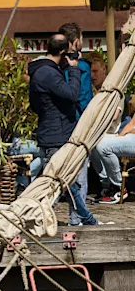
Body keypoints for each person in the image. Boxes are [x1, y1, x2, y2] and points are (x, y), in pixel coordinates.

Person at [29, 32, 97, 228]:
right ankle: (37, 220)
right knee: (58, 185)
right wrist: (74, 70)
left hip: (51, 131)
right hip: (56, 136)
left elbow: (35, 104)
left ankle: (83, 219)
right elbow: (72, 95)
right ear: (62, 52)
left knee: (65, 184)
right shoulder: (48, 73)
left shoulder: (41, 71)